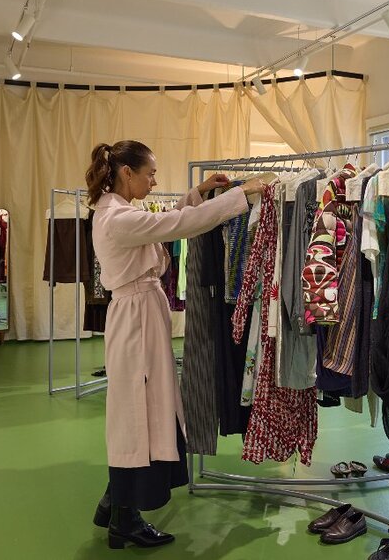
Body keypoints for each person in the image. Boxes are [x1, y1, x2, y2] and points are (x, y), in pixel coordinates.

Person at [87, 140, 264, 549]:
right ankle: (124, 519)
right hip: (136, 319)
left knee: (144, 406)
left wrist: (197, 194)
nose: (154, 181)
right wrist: (243, 193)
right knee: (137, 410)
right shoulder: (117, 218)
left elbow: (165, 218)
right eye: (149, 173)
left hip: (141, 314)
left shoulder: (120, 211)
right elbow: (177, 226)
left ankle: (115, 503)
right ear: (126, 173)